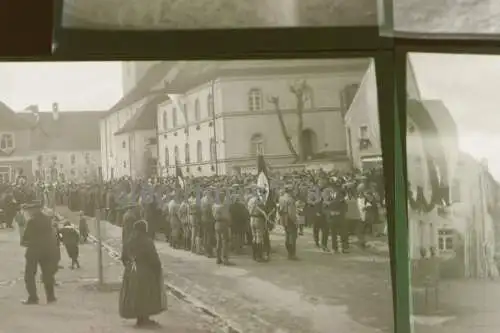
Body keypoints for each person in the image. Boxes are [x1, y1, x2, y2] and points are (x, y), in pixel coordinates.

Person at [119, 220, 167, 328]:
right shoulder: (147, 241)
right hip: (145, 271)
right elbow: (154, 258)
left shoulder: (129, 241)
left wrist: (129, 266)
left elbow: (123, 257)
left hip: (131, 271)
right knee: (146, 294)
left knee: (134, 295)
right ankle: (144, 318)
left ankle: (139, 318)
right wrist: (157, 269)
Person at [21, 201, 59, 305]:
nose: (29, 211)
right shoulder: (47, 219)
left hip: (34, 250)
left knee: (29, 275)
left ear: (34, 210)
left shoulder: (31, 221)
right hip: (47, 249)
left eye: (30, 209)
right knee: (47, 274)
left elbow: (25, 238)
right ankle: (51, 297)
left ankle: (33, 298)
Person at [278, 185, 298, 260]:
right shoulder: (290, 199)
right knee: (292, 237)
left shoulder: (281, 198)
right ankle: (292, 254)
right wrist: (295, 221)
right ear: (290, 191)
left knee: (287, 235)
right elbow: (291, 213)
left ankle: (289, 253)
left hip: (283, 218)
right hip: (289, 219)